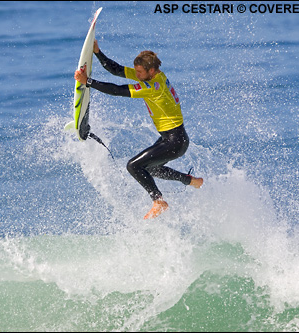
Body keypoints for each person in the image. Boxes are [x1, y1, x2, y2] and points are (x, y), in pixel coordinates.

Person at [74, 40, 203, 219]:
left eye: (139, 72)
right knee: (150, 169)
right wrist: (97, 52)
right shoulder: (153, 76)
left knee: (133, 166)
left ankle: (158, 201)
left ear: (150, 71)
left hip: (175, 141)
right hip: (171, 138)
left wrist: (87, 81)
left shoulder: (153, 87)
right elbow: (117, 70)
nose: (136, 74)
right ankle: (192, 181)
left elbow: (118, 90)